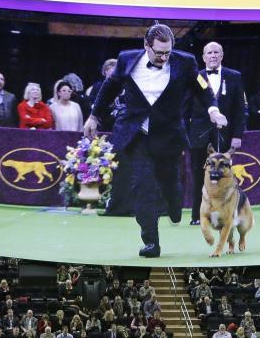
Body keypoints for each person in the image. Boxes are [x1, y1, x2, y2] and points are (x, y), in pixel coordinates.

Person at [84, 23, 227, 258]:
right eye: (158, 52)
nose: (163, 57)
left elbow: (203, 89)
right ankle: (151, 242)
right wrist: (93, 116)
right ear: (146, 45)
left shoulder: (186, 62)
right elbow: (109, 88)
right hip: (136, 134)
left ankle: (173, 202)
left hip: (168, 135)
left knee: (170, 182)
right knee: (143, 186)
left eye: (167, 53)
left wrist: (213, 110)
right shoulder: (126, 59)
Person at [186, 41, 246, 226]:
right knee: (198, 174)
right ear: (203, 57)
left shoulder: (234, 76)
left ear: (221, 56)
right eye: (209, 53)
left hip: (225, 134)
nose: (212, 56)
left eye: (216, 52)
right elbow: (185, 107)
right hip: (198, 134)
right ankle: (197, 215)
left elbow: (240, 109)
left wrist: (237, 135)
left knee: (225, 176)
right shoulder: (194, 77)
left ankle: (227, 213)